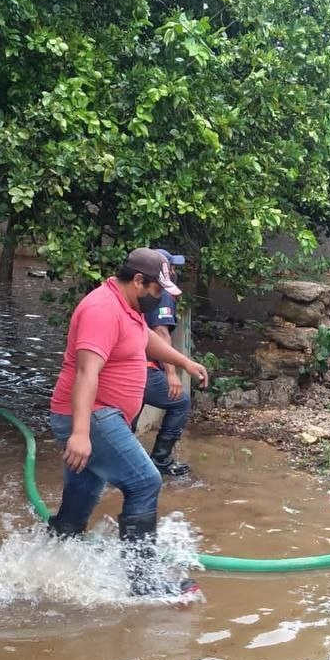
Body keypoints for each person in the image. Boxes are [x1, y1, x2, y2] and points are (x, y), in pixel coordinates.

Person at [47, 248, 209, 597]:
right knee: (145, 482)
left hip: (101, 416)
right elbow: (86, 372)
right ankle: (143, 581)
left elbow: (145, 340)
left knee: (83, 494)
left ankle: (51, 553)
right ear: (138, 281)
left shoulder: (129, 307)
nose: (160, 297)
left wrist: (185, 363)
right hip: (92, 415)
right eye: (156, 289)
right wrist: (80, 433)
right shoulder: (101, 309)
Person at [136, 248, 193, 479]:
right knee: (180, 402)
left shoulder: (139, 291)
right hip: (144, 368)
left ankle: (117, 466)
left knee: (127, 418)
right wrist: (171, 373)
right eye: (171, 266)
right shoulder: (162, 291)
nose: (174, 270)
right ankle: (161, 460)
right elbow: (160, 332)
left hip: (130, 367)